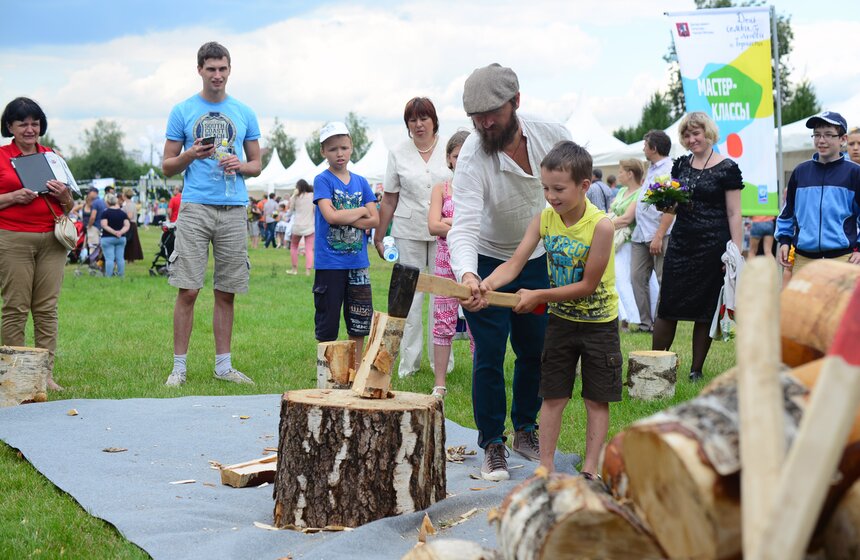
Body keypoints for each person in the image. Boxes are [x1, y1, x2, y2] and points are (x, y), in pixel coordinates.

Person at [448, 63, 571, 481]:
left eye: (492, 114)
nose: (484, 123)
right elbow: (462, 225)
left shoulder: (551, 133)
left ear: (515, 103)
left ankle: (524, 429)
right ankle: (492, 443)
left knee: (534, 350)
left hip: (536, 261)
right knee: (489, 354)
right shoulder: (471, 157)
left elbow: (577, 178)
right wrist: (467, 275)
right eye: (475, 117)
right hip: (485, 262)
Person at [479, 141, 619, 477]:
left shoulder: (601, 226)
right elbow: (514, 263)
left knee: (596, 399)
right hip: (561, 323)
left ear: (584, 186)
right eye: (545, 188)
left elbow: (587, 285)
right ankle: (545, 466)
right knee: (553, 396)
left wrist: (539, 295)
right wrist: (488, 285)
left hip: (599, 324)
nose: (551, 196)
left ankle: (589, 469)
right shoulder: (544, 219)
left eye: (558, 189)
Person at [162, 41, 262, 386]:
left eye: (222, 68)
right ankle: (179, 367)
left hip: (234, 207)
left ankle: (223, 366)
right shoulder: (183, 110)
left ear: (230, 69)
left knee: (226, 290)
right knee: (188, 289)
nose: (217, 75)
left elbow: (258, 165)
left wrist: (243, 165)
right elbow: (166, 166)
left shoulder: (245, 112)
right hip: (195, 206)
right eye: (210, 69)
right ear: (200, 70)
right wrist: (190, 155)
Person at [653, 112, 744, 382]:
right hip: (681, 243)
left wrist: (735, 251)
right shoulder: (680, 165)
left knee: (705, 310)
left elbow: (734, 213)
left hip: (712, 246)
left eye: (697, 133)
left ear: (709, 133)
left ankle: (696, 370)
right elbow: (674, 205)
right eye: (687, 135)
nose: (692, 139)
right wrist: (664, 202)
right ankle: (656, 366)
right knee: (668, 306)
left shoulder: (727, 168)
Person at [0, 96, 75, 391]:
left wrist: (64, 196)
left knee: (46, 309)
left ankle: (44, 375)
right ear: (10, 127)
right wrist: (12, 198)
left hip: (52, 240)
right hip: (12, 238)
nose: (30, 129)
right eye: (23, 123)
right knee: (15, 307)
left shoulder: (52, 157)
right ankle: (16, 376)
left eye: (35, 123)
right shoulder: (2, 157)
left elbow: (70, 205)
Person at [373, 97, 451, 378]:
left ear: (434, 120)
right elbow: (390, 199)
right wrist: (380, 235)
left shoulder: (450, 148)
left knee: (444, 295)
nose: (419, 125)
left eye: (424, 118)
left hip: (444, 231)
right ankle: (409, 363)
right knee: (412, 296)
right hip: (407, 231)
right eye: (412, 120)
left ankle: (443, 361)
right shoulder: (397, 152)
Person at [313, 121, 378, 365]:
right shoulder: (323, 180)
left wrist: (346, 217)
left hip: (358, 263)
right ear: (323, 152)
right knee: (328, 320)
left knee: (359, 320)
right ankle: (327, 370)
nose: (339, 154)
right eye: (332, 149)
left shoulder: (361, 182)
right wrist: (360, 210)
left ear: (351, 147)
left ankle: (355, 368)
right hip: (330, 264)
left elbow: (375, 219)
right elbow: (330, 216)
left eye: (343, 147)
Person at [776, 111, 860, 273]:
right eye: (817, 135)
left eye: (828, 135)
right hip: (803, 259)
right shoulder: (800, 172)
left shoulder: (854, 173)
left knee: (839, 300)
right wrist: (785, 241)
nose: (821, 140)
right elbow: (787, 212)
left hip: (843, 259)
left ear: (843, 139)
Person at [427, 131, 474, 399]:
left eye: (468, 156)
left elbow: (483, 229)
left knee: (477, 321)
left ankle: (479, 379)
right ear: (449, 158)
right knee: (442, 320)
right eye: (458, 156)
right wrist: (461, 227)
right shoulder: (441, 189)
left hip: (473, 262)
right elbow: (433, 225)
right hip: (445, 262)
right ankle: (440, 383)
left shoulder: (480, 189)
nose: (463, 161)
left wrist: (449, 225)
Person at [616, 129, 674, 332]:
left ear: (654, 148)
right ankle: (644, 323)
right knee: (637, 277)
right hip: (641, 233)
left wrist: (659, 236)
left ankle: (660, 323)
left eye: (645, 144)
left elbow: (671, 207)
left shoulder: (669, 169)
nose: (643, 148)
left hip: (659, 234)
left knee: (661, 279)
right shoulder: (651, 168)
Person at [608, 159, 645, 329]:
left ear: (630, 174)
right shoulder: (622, 190)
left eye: (621, 171)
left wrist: (604, 225)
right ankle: (623, 316)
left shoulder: (639, 193)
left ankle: (631, 318)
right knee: (617, 279)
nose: (619, 174)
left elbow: (627, 219)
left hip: (629, 242)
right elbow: (612, 212)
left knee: (624, 280)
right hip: (617, 242)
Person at [100, 193, 130, 277]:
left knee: (109, 259)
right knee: (120, 258)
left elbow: (104, 225)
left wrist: (114, 232)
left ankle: (108, 276)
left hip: (107, 238)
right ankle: (121, 275)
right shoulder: (123, 213)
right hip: (121, 238)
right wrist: (120, 232)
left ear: (107, 202)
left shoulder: (105, 213)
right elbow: (127, 225)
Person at [289, 178, 315, 275]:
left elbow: (291, 210)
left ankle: (294, 269)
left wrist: (293, 195)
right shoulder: (312, 196)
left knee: (293, 247)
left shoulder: (295, 197)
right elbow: (315, 210)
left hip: (297, 225)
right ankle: (308, 271)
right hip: (310, 225)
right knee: (309, 249)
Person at [121, 187, 144, 262]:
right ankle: (130, 258)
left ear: (124, 195)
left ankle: (130, 258)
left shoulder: (128, 204)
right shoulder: (130, 204)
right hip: (132, 224)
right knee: (131, 242)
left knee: (130, 242)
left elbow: (130, 216)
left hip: (130, 224)